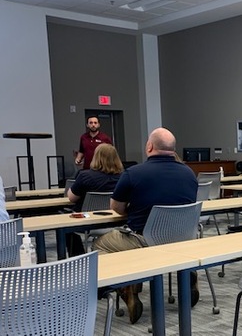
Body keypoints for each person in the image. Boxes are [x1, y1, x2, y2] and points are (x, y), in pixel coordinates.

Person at [93, 128, 198, 324]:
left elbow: (116, 208)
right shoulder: (189, 173)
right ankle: (189, 275)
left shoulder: (133, 173)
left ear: (149, 146)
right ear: (172, 149)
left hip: (144, 240)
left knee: (100, 244)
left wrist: (136, 210)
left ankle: (128, 287)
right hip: (182, 239)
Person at [66, 144, 123, 256]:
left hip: (87, 223)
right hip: (115, 222)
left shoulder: (85, 176)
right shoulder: (123, 177)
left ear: (96, 157)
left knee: (66, 226)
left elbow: (71, 198)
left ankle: (79, 258)